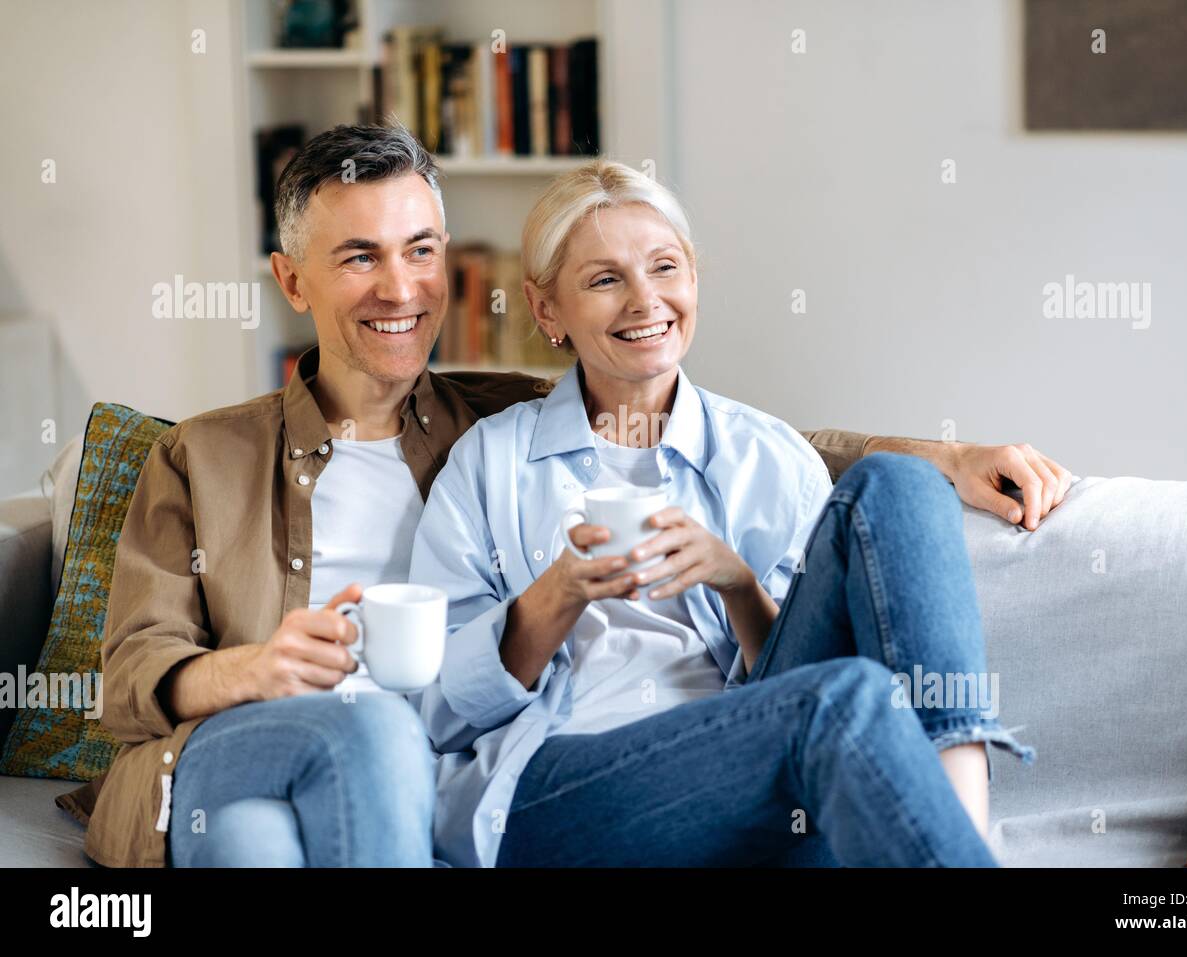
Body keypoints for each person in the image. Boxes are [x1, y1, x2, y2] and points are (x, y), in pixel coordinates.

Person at [409, 160, 1059, 867]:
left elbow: (798, 696)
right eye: (604, 279)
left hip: (755, 771)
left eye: (665, 267)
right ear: (545, 310)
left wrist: (736, 581)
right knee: (846, 699)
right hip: (567, 787)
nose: (644, 300)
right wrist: (558, 593)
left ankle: (957, 825)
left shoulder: (769, 456)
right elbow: (440, 708)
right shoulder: (490, 463)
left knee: (903, 483)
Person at [61, 124, 549, 866]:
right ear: (292, 281)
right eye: (360, 256)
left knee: (253, 841)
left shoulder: (507, 426)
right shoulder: (201, 454)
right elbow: (130, 673)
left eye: (421, 249)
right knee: (375, 723)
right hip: (236, 743)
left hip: (415, 768)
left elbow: (641, 372)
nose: (400, 287)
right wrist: (252, 668)